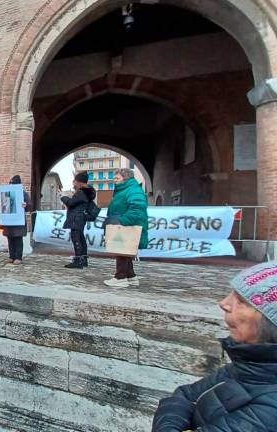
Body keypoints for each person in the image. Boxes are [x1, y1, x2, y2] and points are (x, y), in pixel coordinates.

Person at [152, 261, 277, 431]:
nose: (224, 303)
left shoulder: (270, 410)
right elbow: (184, 395)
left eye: (241, 300)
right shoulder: (248, 367)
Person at [104, 168, 148, 288]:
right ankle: (131, 277)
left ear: (126, 178)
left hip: (126, 225)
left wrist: (122, 221)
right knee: (125, 251)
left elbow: (138, 207)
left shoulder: (132, 190)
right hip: (123, 224)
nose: (114, 180)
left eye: (117, 178)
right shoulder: (126, 189)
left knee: (122, 250)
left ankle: (120, 278)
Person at [60, 172, 96, 269]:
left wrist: (63, 196)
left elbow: (70, 203)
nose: (74, 183)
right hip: (80, 217)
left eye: (75, 181)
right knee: (80, 237)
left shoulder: (82, 192)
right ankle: (83, 259)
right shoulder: (87, 192)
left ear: (79, 182)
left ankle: (78, 261)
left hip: (76, 217)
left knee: (76, 237)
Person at [0, 175, 32, 265]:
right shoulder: (6, 193)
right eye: (10, 183)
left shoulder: (23, 194)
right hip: (9, 221)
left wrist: (26, 205)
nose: (11, 185)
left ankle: (18, 257)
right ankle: (11, 256)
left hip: (18, 221)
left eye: (12, 183)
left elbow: (30, 206)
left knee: (18, 239)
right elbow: (3, 204)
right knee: (10, 239)